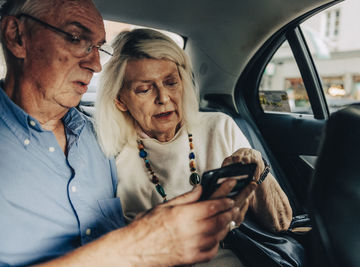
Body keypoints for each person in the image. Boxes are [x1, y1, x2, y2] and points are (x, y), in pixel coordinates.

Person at [0, 0, 247, 266]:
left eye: (98, 48)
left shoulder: (102, 139)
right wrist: (137, 243)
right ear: (17, 36)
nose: (96, 64)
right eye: (76, 38)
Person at [95, 28, 293, 266]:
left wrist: (256, 168)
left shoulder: (219, 127)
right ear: (120, 100)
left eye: (171, 83)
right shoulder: (110, 153)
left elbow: (280, 222)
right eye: (144, 89)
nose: (163, 98)